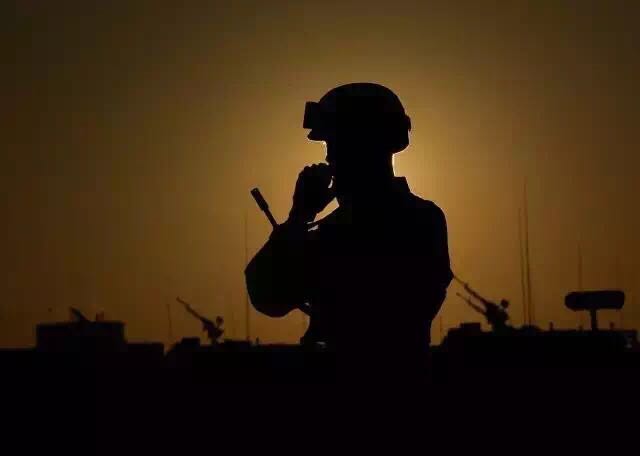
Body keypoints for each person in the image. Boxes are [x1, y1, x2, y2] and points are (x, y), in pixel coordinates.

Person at [245, 83, 452, 365]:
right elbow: (267, 296)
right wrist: (299, 219)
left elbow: (270, 296)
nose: (329, 158)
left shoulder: (404, 223)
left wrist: (299, 218)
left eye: (335, 145)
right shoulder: (422, 218)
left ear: (363, 146)